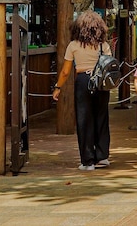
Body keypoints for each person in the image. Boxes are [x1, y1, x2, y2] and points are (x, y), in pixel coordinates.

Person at [52, 11, 112, 170]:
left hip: (83, 80)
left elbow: (65, 71)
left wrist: (58, 87)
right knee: (102, 117)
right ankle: (102, 156)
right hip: (101, 82)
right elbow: (109, 65)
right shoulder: (103, 45)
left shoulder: (73, 45)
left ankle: (88, 161)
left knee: (84, 120)